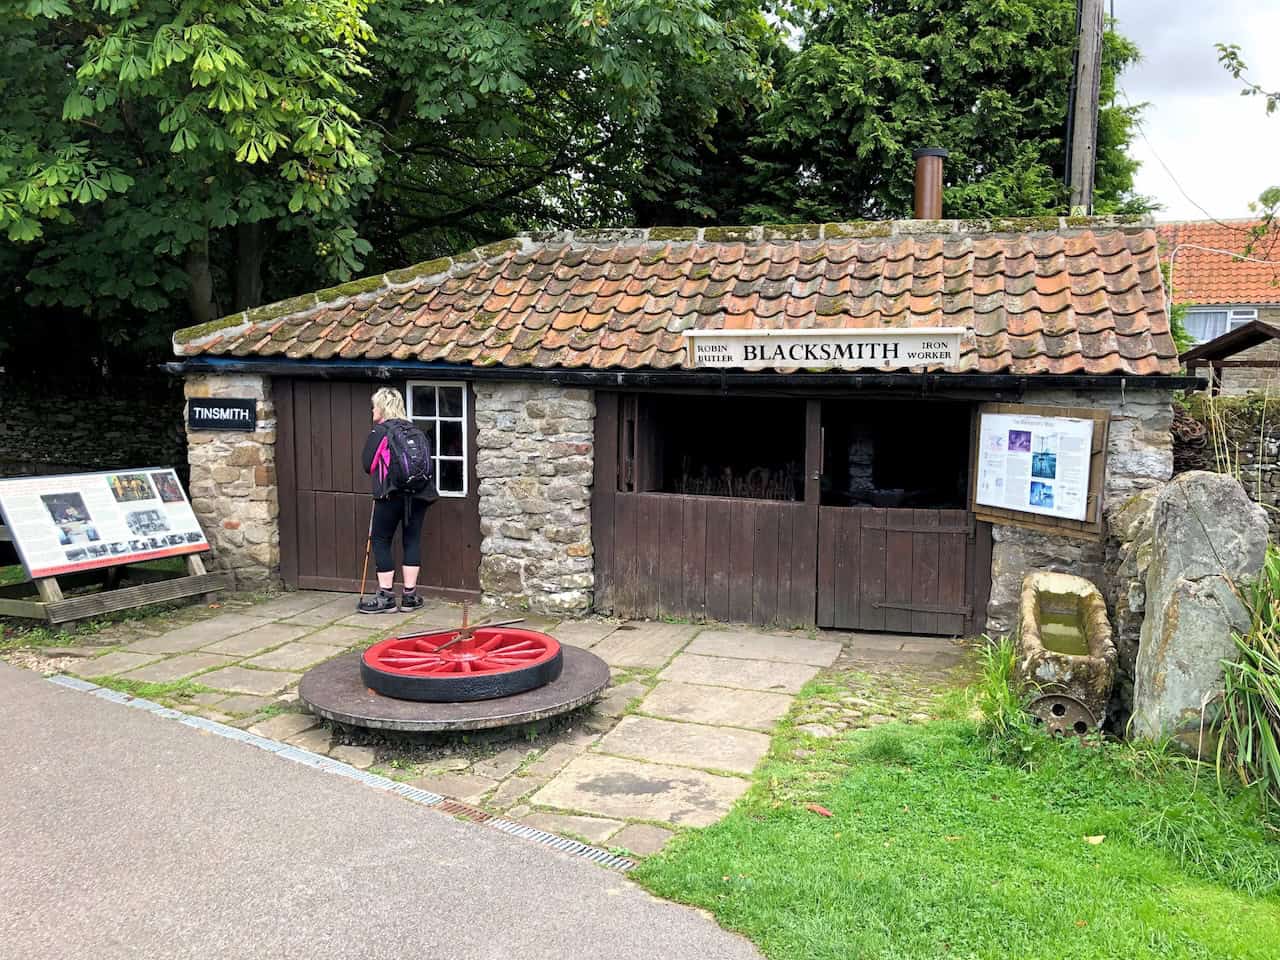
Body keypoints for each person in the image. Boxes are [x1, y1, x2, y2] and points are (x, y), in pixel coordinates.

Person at [358, 387, 436, 613]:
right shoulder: (416, 431)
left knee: (381, 539)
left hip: (390, 493)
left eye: (374, 405)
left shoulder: (380, 432)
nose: (373, 410)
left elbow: (367, 465)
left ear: (381, 407)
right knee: (412, 541)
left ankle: (386, 597)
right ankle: (410, 597)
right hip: (419, 494)